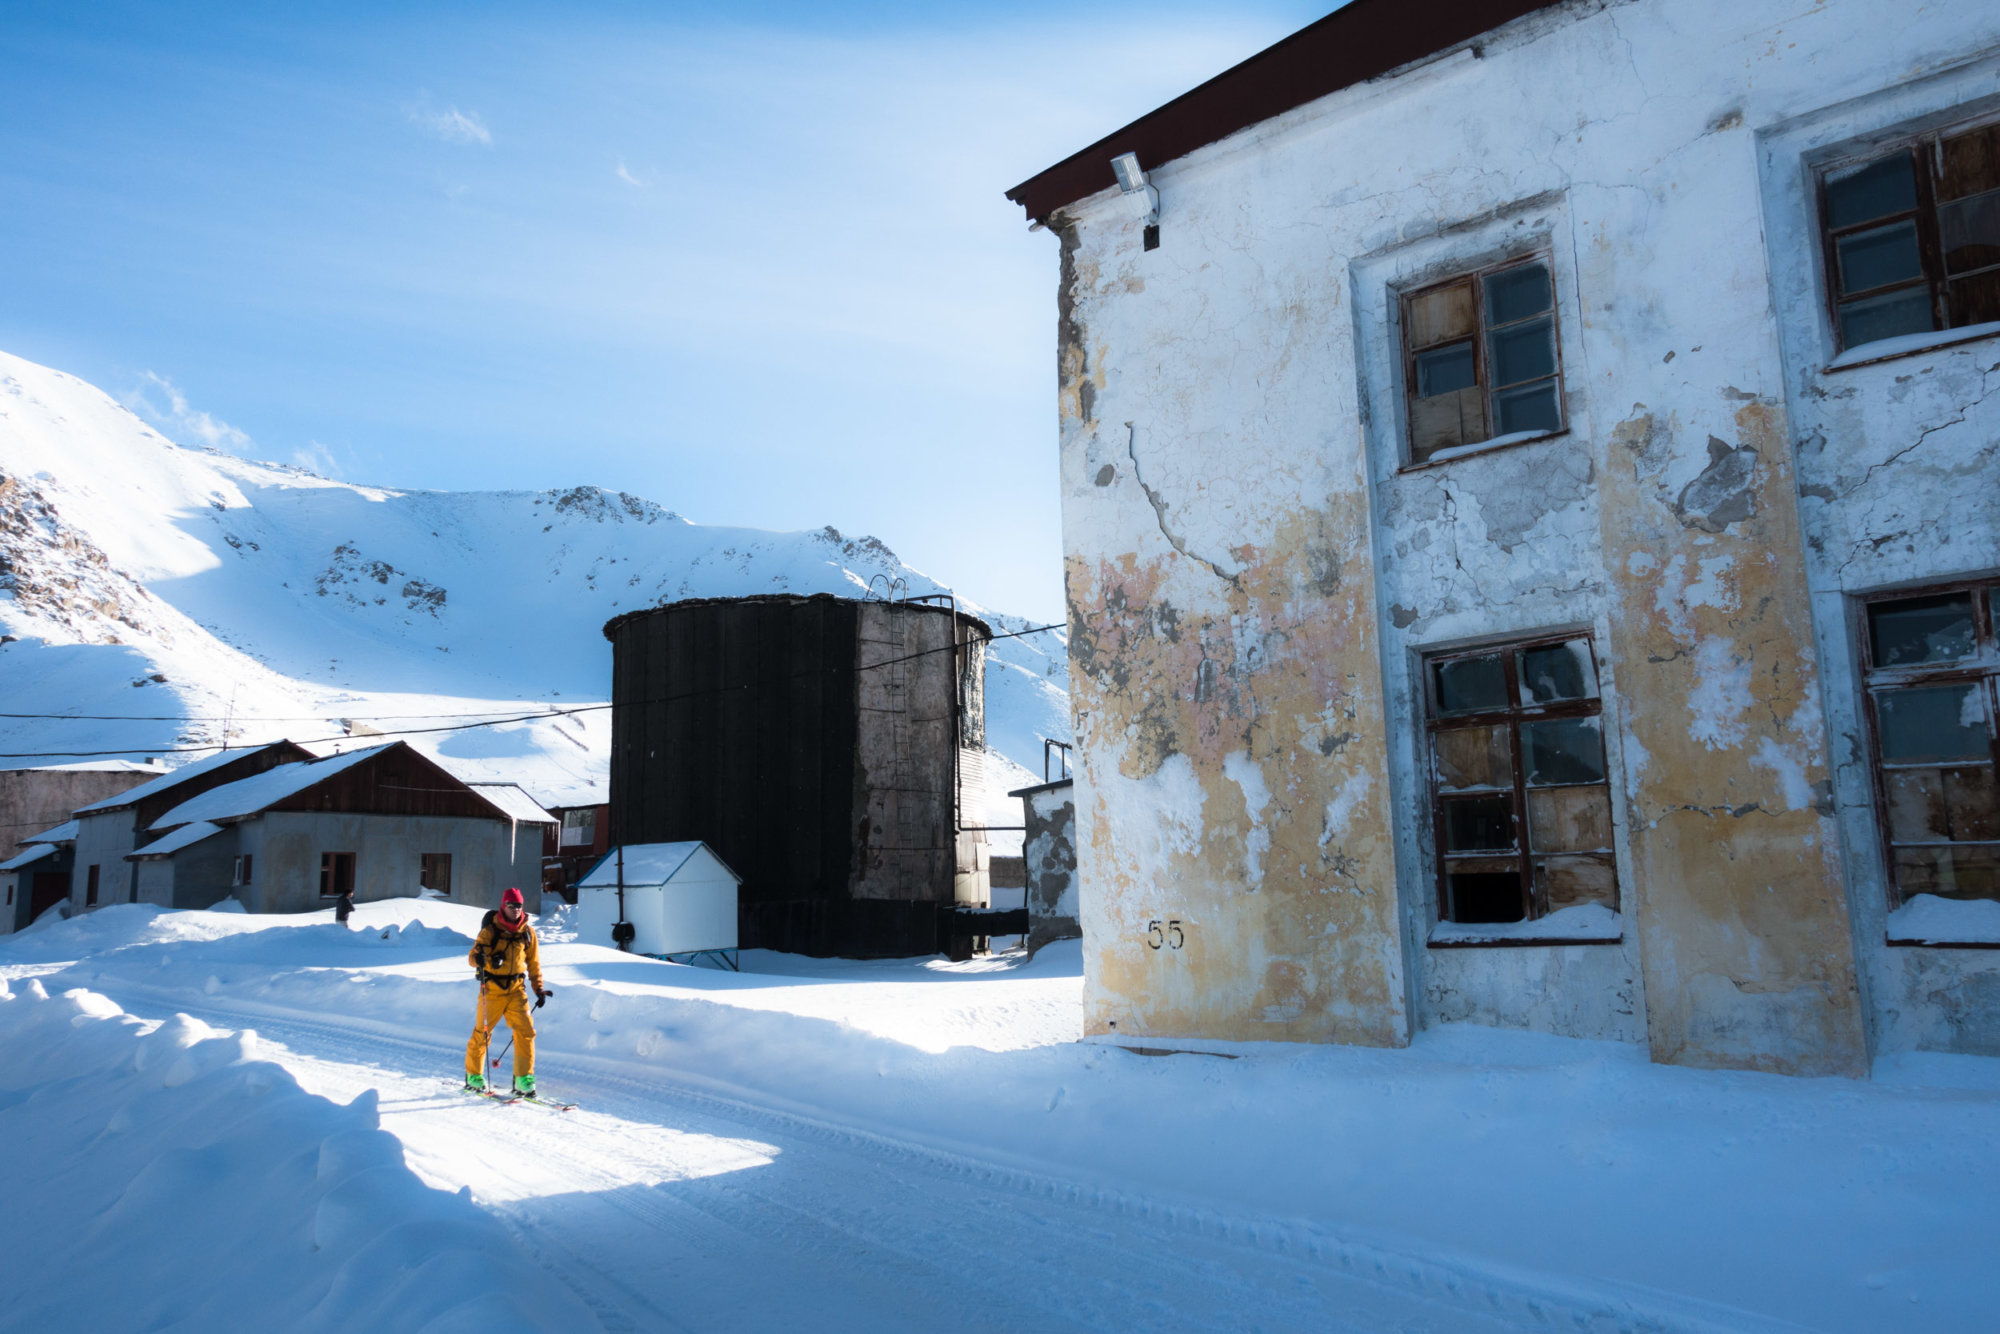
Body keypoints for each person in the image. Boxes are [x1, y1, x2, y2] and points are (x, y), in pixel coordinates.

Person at [463, 887, 552, 1096]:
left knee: (526, 1032)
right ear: (504, 906)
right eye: (512, 906)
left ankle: (523, 1079)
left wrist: (538, 988)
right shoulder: (490, 931)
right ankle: (473, 1075)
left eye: (519, 906)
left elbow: (533, 963)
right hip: (492, 990)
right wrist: (483, 960)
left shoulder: (528, 934)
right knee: (482, 1034)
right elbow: (472, 957)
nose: (516, 910)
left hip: (516, 991)